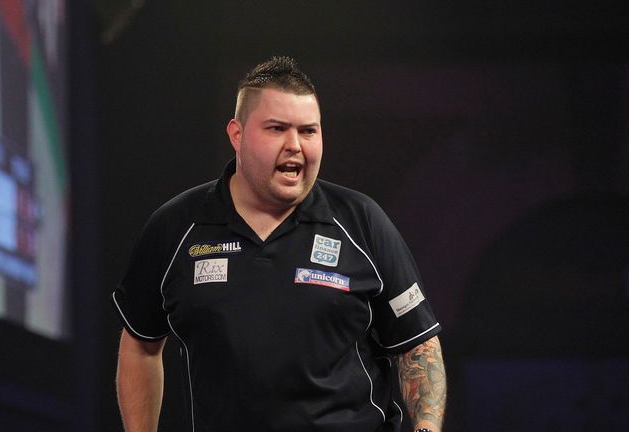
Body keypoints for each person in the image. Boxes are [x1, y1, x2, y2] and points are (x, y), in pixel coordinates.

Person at [113, 56, 446, 432]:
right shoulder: (176, 227)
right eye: (277, 129)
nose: (295, 146)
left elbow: (418, 345)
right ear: (236, 134)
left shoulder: (363, 222)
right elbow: (140, 344)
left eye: (308, 131)